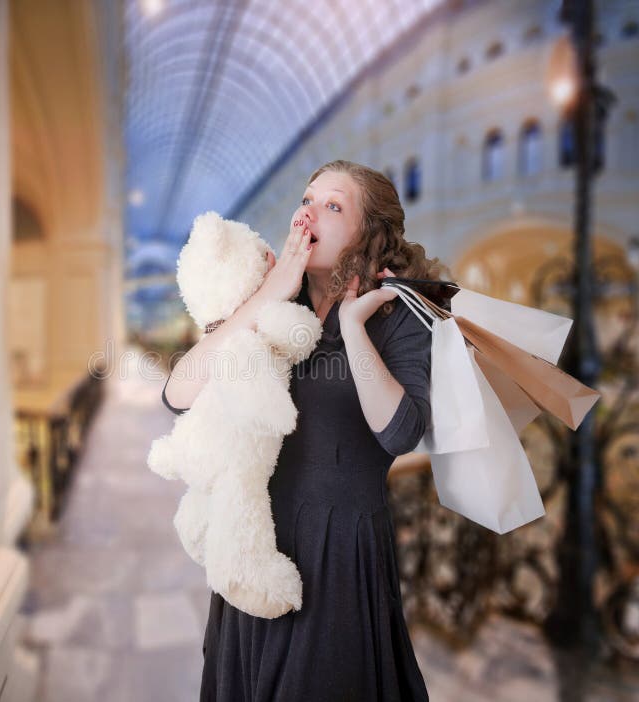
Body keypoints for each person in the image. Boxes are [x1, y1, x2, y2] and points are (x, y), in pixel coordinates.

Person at [162, 159, 449, 701]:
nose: (307, 212)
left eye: (333, 205)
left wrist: (353, 329)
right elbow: (179, 393)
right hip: (258, 540)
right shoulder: (274, 304)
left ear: (370, 234)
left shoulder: (397, 312)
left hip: (338, 554)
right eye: (307, 199)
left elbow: (400, 434)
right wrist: (269, 292)